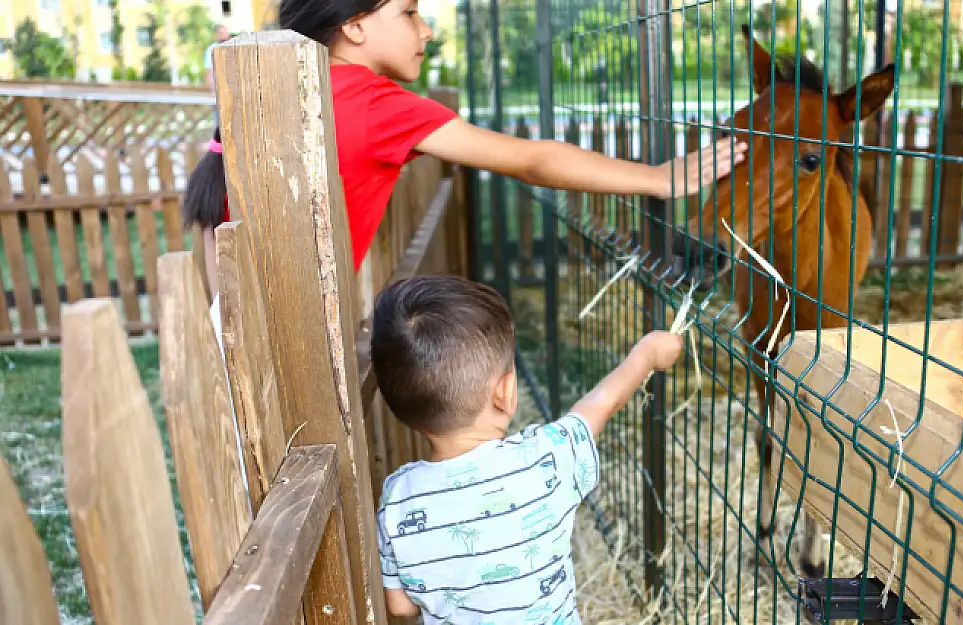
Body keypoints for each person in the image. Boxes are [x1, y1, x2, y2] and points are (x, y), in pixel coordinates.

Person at [182, 0, 747, 289]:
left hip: (237, 317)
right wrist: (660, 177)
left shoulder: (291, 89)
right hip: (290, 333)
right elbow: (533, 160)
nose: (426, 29)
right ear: (354, 25)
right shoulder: (377, 104)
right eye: (408, 12)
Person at [369, 274, 682, 622]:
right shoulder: (546, 458)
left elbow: (400, 605)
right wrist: (648, 354)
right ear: (505, 393)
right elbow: (601, 404)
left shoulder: (398, 499)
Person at [203, 24, 231, 124]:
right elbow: (209, 73)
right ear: (217, 35)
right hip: (218, 91)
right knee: (219, 123)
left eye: (225, 32)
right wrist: (212, 92)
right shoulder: (211, 50)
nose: (224, 35)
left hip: (232, 90)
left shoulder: (233, 48)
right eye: (221, 33)